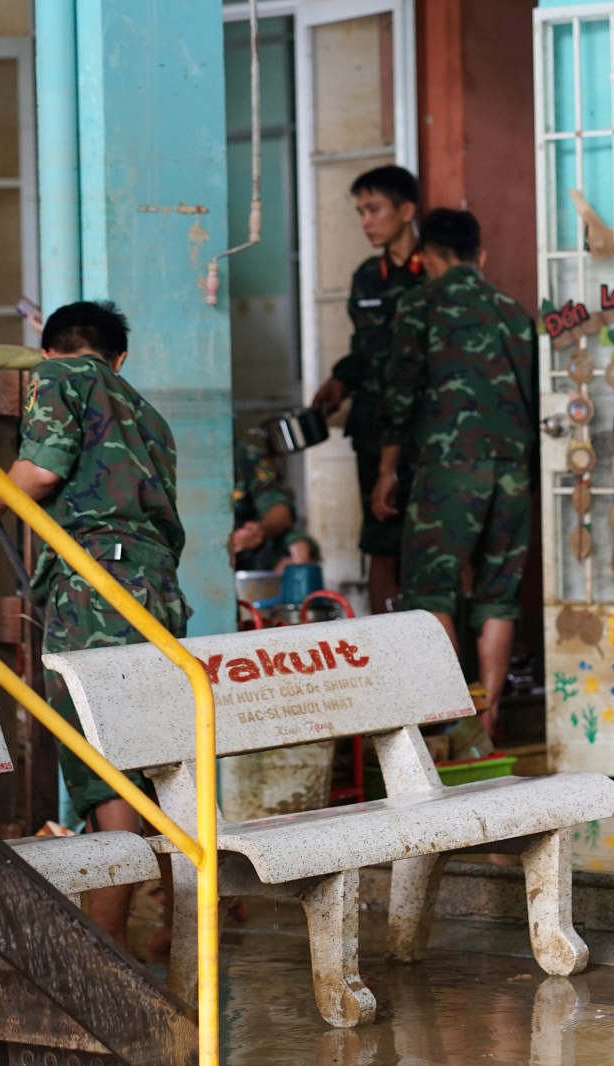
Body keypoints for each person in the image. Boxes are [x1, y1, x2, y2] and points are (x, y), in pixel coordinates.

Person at [0, 300, 187, 946]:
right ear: (120, 357)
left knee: (102, 760)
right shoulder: (148, 412)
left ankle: (107, 951)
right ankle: (183, 929)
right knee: (159, 760)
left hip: (96, 588)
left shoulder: (58, 378)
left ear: (53, 350)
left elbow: (42, 470)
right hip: (156, 589)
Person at [374, 208, 536, 735]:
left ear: (426, 258)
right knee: (497, 593)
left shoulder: (419, 303)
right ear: (478, 256)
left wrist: (386, 471)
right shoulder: (513, 311)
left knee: (431, 589)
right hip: (512, 468)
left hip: (449, 466)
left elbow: (400, 394)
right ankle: (486, 725)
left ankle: (446, 721)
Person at [309, 165, 424, 614]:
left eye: (374, 209)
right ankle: (386, 647)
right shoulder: (366, 278)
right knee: (379, 541)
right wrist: (341, 380)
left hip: (425, 429)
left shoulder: (433, 269)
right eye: (360, 211)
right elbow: (364, 349)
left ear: (406, 210)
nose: (366, 221)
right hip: (374, 427)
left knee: (431, 540)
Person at [230, 436, 316, 571]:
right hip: (199, 548)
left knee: (299, 545)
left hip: (247, 549)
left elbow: (280, 509)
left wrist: (257, 531)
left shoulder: (248, 457)